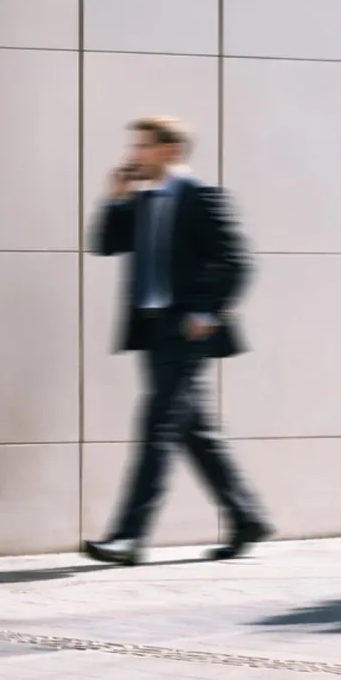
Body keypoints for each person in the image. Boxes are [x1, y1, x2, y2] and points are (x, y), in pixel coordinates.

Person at [84, 114, 271, 567]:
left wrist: (206, 312)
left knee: (157, 431)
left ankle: (129, 536)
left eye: (143, 147)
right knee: (194, 431)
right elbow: (104, 245)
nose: (134, 156)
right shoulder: (142, 200)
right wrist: (114, 200)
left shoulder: (202, 197)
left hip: (187, 333)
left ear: (169, 150)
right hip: (150, 332)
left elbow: (236, 261)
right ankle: (246, 516)